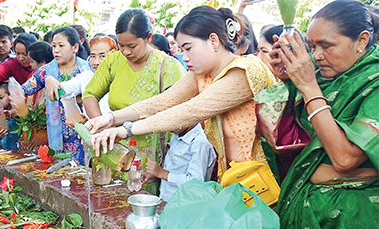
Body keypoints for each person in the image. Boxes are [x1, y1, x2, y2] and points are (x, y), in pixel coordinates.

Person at [260, 1, 379, 229]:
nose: (317, 55)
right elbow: (291, 137)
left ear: (362, 40)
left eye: (327, 46)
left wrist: (309, 87)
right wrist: (289, 80)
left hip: (348, 227)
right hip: (303, 211)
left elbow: (345, 158)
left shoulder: (373, 83)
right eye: (312, 46)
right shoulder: (327, 77)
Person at [86, 6, 275, 181]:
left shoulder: (245, 70)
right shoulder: (202, 74)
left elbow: (189, 110)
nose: (184, 57)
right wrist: (110, 119)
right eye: (182, 49)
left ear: (213, 40)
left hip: (264, 180)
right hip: (232, 179)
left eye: (188, 48)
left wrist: (125, 129)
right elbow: (163, 102)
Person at [82, 9, 186, 193]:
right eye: (121, 45)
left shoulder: (168, 67)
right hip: (116, 148)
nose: (126, 51)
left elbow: (176, 113)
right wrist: (103, 126)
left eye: (132, 45)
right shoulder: (114, 60)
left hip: (153, 154)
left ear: (148, 37)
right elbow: (90, 94)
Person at [20, 27, 91, 164]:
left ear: (75, 47)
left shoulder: (87, 70)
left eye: (61, 46)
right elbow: (25, 89)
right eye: (54, 46)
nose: (56, 50)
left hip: (83, 132)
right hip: (56, 135)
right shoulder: (46, 72)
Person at [45, 35, 117, 121]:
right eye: (93, 56)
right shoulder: (86, 77)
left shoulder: (121, 78)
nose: (96, 62)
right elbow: (63, 90)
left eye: (102, 56)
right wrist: (50, 80)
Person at [145, 124, 216, 202]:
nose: (169, 126)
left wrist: (162, 174)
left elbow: (195, 182)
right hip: (167, 198)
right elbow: (174, 167)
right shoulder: (177, 133)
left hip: (185, 205)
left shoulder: (200, 143)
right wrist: (156, 174)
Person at [0, 82, 19, 150]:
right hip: (3, 154)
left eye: (1, 98)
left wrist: (11, 114)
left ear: (10, 96)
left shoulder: (18, 112)